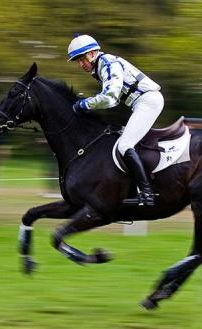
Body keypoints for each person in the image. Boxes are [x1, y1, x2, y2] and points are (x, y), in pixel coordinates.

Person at [68, 34, 163, 206]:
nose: (81, 64)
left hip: (147, 101)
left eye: (82, 59)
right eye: (78, 61)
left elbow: (110, 98)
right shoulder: (100, 67)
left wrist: (84, 104)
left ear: (93, 53)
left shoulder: (108, 63)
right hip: (140, 103)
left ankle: (147, 194)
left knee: (124, 145)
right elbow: (113, 99)